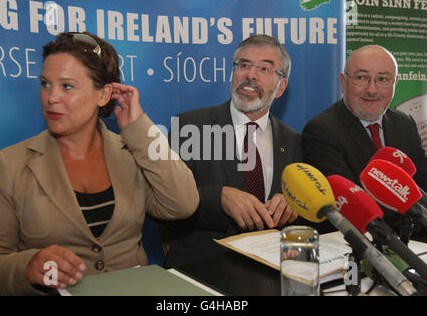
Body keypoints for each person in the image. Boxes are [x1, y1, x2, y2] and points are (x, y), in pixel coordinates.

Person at [0, 32, 199, 295]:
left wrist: (139, 128)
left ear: (103, 95)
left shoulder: (132, 154)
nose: (51, 97)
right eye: (45, 84)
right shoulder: (11, 164)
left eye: (67, 86)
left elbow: (183, 203)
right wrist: (27, 266)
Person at [162, 34, 305, 268]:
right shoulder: (190, 127)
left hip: (271, 269)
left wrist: (293, 204)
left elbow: (305, 205)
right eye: (244, 65)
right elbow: (163, 201)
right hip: (204, 267)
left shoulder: (294, 141)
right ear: (233, 73)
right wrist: (219, 197)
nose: (250, 74)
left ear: (281, 87)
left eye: (265, 69)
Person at [302, 45, 427, 236]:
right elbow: (354, 209)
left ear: (395, 83)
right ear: (343, 82)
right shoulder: (321, 130)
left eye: (383, 79)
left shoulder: (405, 123)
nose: (372, 89)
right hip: (362, 247)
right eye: (361, 78)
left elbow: (421, 184)